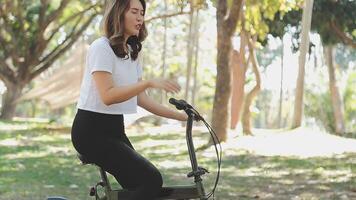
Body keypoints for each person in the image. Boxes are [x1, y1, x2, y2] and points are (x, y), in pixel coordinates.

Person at [70, 0, 187, 199]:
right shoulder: (101, 47)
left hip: (115, 128)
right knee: (151, 181)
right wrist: (147, 83)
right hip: (90, 132)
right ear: (119, 14)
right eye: (134, 11)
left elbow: (141, 99)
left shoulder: (132, 51)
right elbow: (108, 96)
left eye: (142, 12)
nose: (140, 17)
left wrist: (182, 117)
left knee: (140, 186)